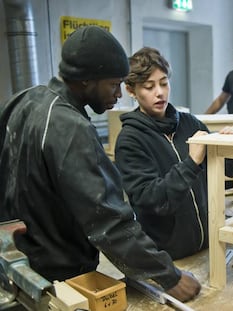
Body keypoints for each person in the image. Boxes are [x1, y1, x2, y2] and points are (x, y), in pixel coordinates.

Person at [0, 26, 200, 302]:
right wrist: (170, 277)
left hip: (18, 258)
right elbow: (109, 221)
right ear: (86, 81)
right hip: (59, 274)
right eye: (113, 84)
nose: (119, 94)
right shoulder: (70, 128)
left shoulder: (27, 98)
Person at [114, 47, 233, 260]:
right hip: (170, 258)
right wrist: (191, 162)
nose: (160, 92)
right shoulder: (130, 141)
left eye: (164, 83)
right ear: (131, 90)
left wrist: (232, 147)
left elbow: (228, 170)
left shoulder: (190, 123)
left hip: (209, 245)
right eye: (149, 86)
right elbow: (154, 201)